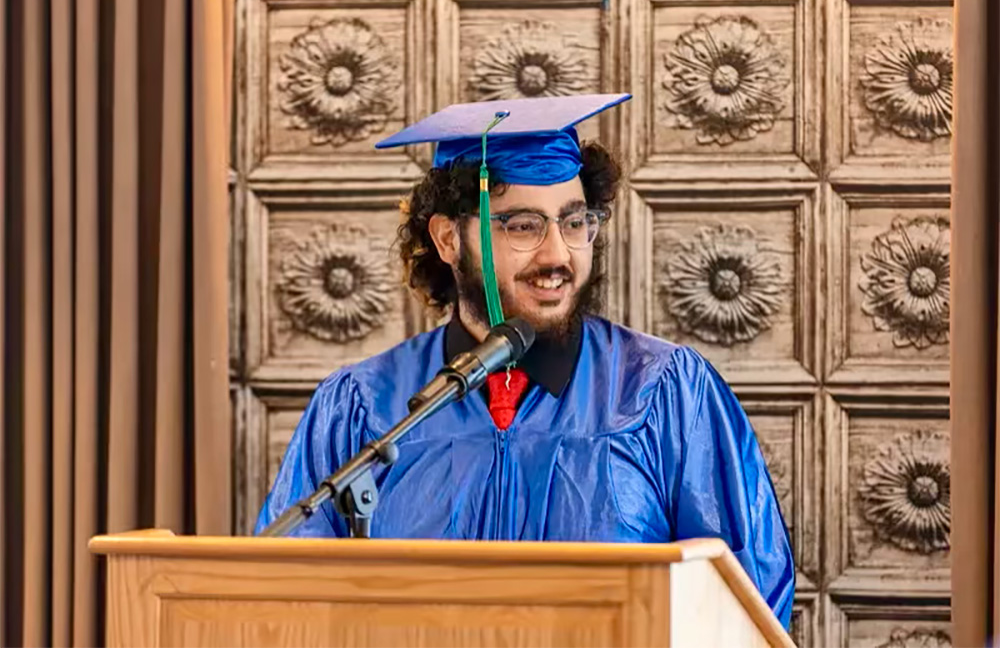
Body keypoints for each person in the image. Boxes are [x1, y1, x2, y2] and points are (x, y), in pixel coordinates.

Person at [255, 93, 795, 628]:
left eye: (575, 221)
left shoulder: (663, 393)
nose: (558, 254)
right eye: (522, 226)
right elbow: (287, 604)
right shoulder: (363, 406)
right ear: (447, 239)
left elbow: (744, 603)